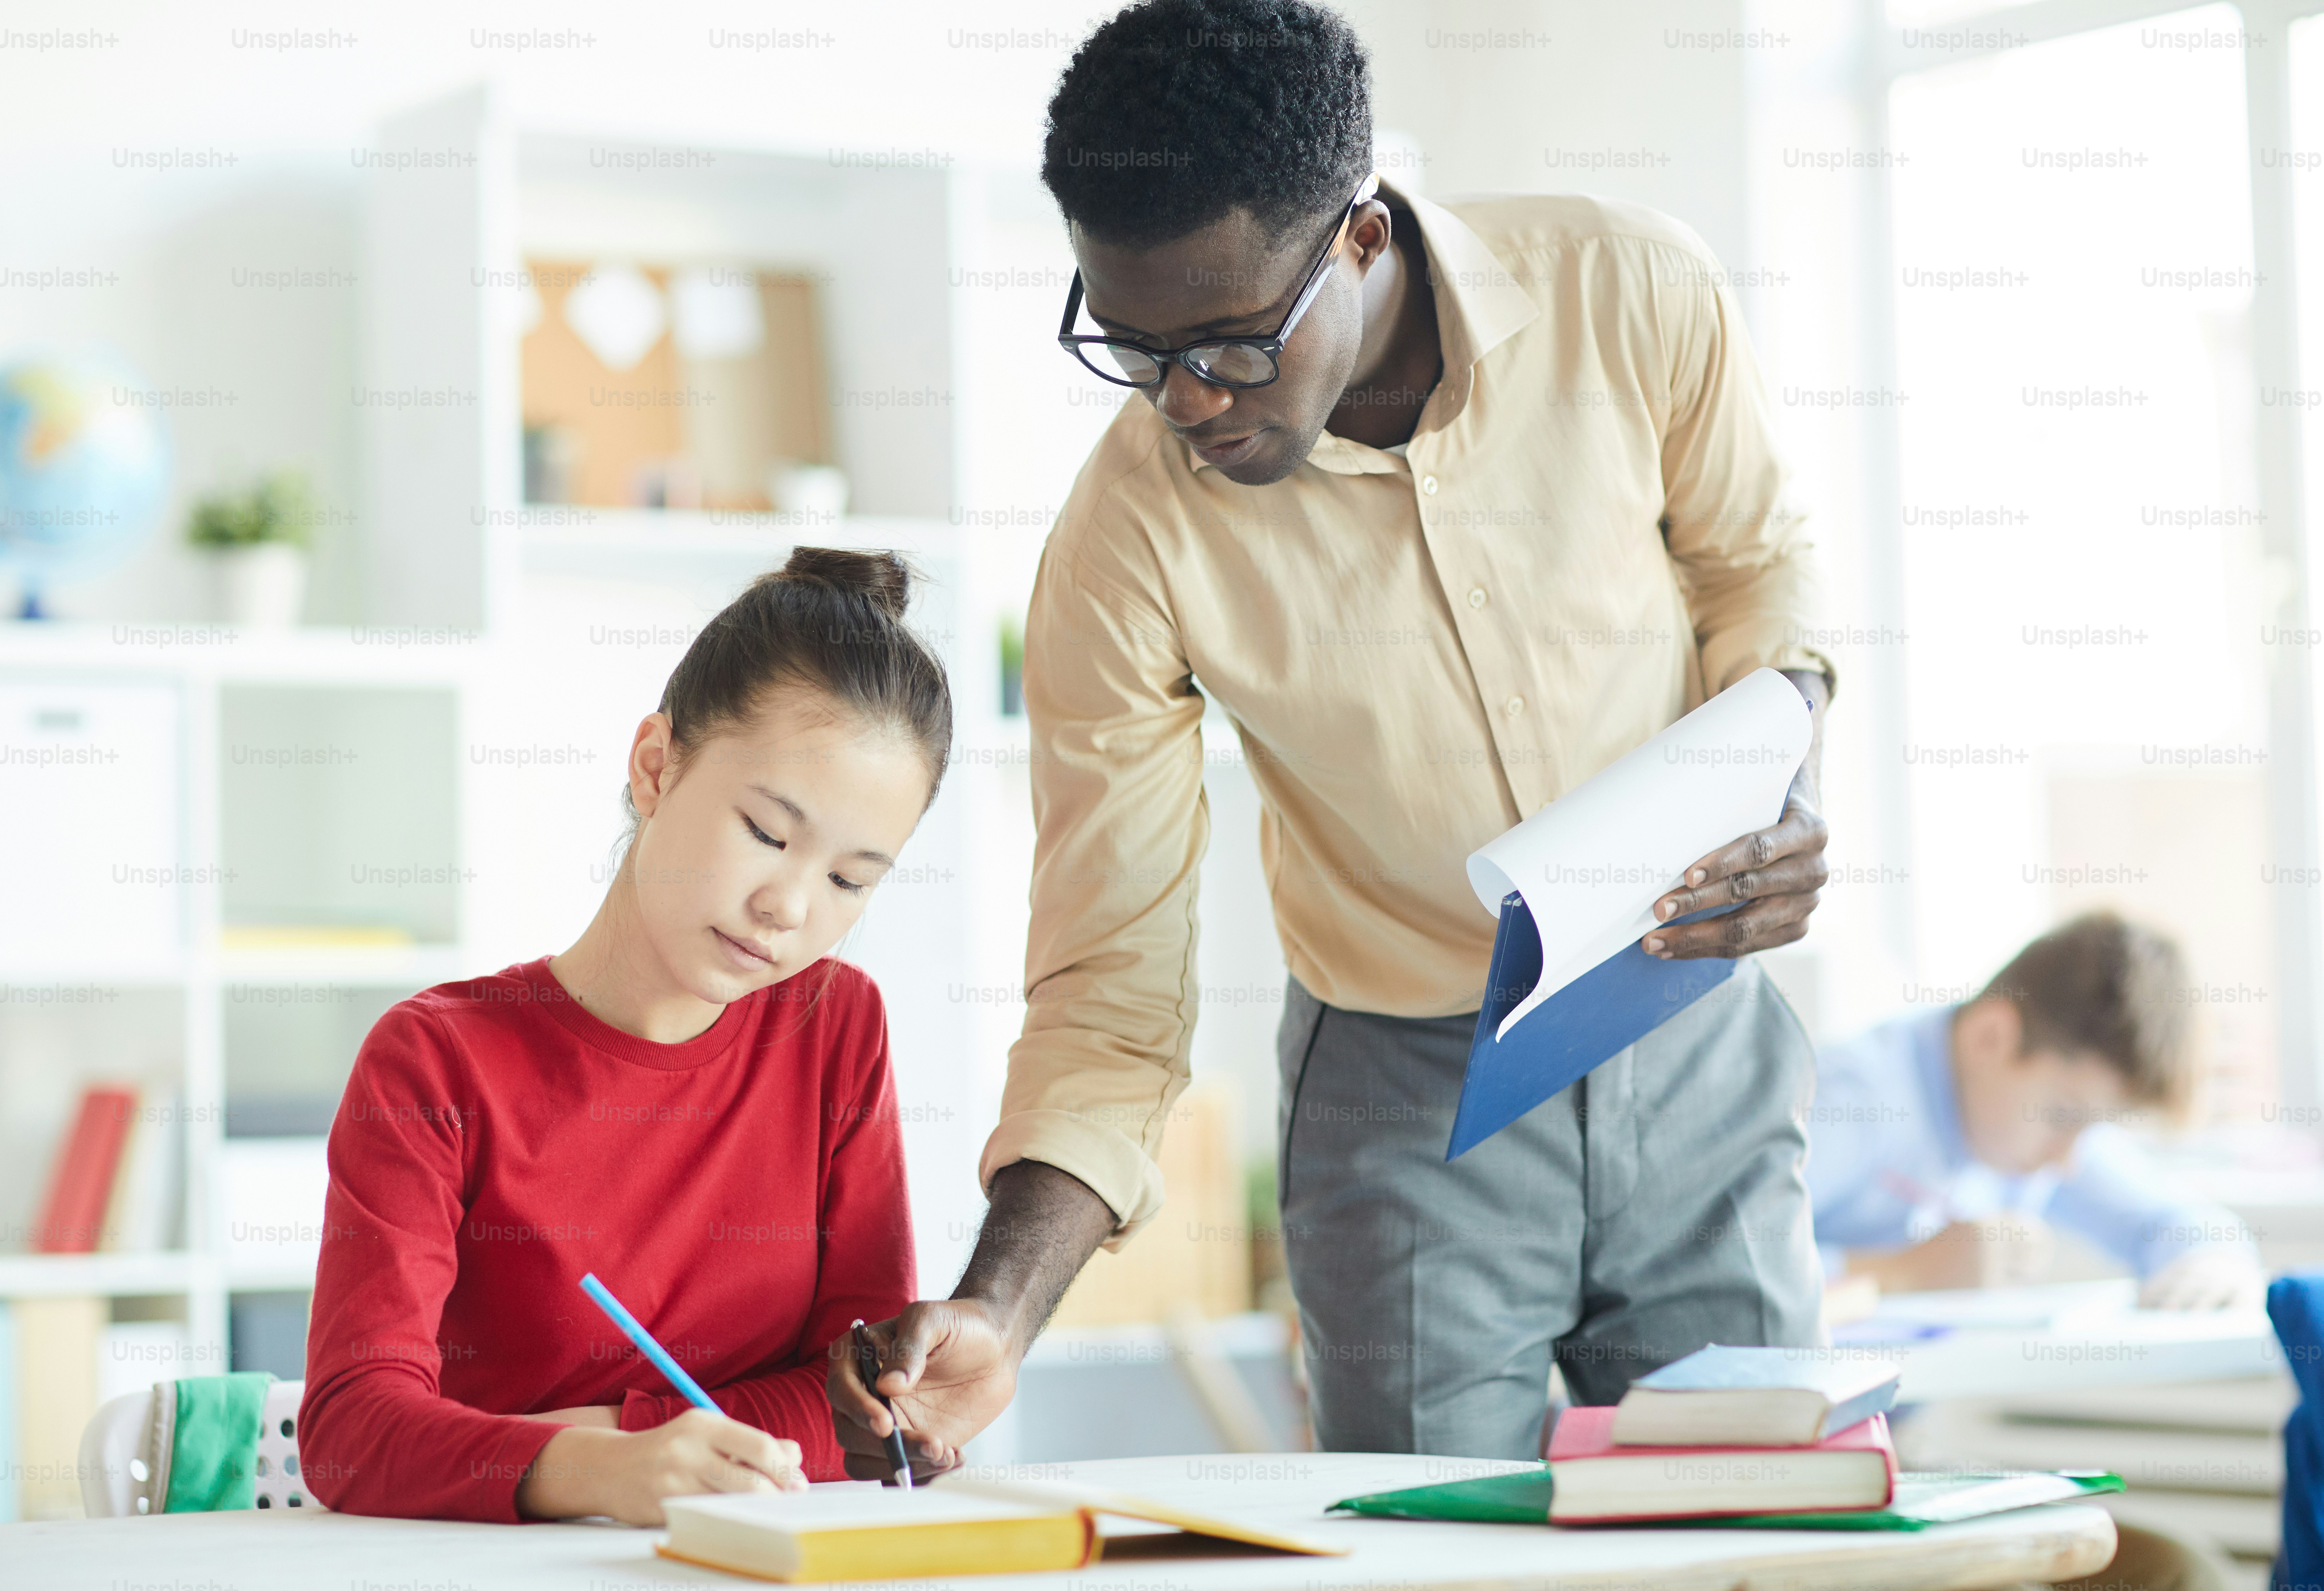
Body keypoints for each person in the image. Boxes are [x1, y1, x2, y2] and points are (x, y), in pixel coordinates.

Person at [831, 0, 1837, 1473]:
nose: (1186, 402)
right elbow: (1111, 983)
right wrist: (1000, 1306)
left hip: (1691, 1024)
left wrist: (1780, 780)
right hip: (1405, 1097)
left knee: (1764, 1530)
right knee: (1433, 1551)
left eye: (1233, 346)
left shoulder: (1632, 292)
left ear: (1361, 235)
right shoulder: (1125, 544)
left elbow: (1756, 569)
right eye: (1132, 347)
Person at [299, 549, 953, 1522]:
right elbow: (353, 1432)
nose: (787, 907)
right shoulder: (435, 1060)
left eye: (850, 881)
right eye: (768, 833)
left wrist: (619, 1437)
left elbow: (856, 1402)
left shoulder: (836, 1026)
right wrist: (611, 1466)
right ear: (656, 767)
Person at [1809, 911, 2263, 1310]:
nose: (2067, 1162)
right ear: (1991, 1037)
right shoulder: (1850, 1100)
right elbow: (1739, 1262)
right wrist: (1900, 1273)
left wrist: (2212, 1261)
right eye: (2064, 1117)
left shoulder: (2025, 1124)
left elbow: (2171, 1220)